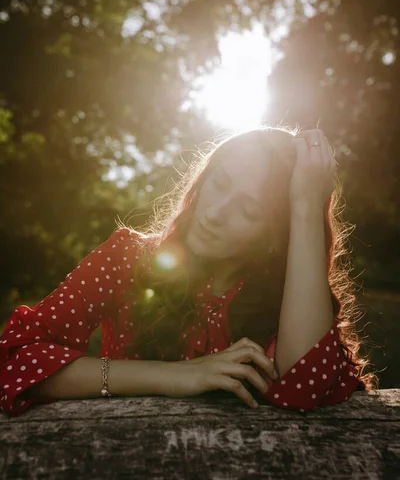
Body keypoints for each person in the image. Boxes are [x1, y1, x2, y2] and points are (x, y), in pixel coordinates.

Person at [0, 125, 378, 417]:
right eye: (220, 184)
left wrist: (307, 206)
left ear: (273, 238)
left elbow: (304, 388)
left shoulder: (284, 294)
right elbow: (17, 362)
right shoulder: (127, 257)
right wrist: (176, 376)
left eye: (247, 211)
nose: (214, 213)